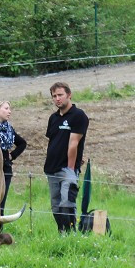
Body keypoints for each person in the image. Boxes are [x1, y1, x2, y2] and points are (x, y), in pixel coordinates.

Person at [44, 82, 88, 233]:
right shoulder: (53, 118)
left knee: (67, 202)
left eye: (60, 95)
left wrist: (71, 168)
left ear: (69, 95)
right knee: (56, 204)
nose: (57, 99)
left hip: (67, 169)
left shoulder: (78, 116)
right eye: (54, 96)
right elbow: (53, 142)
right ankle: (61, 232)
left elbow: (73, 144)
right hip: (51, 168)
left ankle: (71, 233)